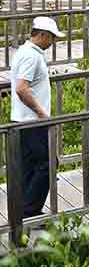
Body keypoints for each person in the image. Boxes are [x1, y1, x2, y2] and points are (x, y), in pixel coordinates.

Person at [10, 17, 64, 218]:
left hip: (23, 119)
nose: (53, 42)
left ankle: (22, 210)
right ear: (42, 35)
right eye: (52, 37)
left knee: (29, 167)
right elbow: (21, 88)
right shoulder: (31, 56)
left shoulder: (25, 52)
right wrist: (41, 113)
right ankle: (30, 211)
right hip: (33, 120)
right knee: (48, 164)